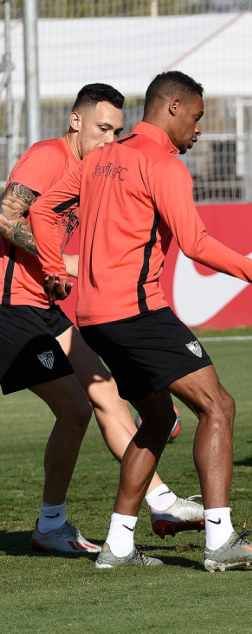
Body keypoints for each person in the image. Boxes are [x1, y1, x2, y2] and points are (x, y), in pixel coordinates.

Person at [29, 71, 252, 570]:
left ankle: (117, 547)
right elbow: (197, 246)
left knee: (158, 419)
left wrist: (54, 268)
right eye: (197, 118)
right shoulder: (162, 164)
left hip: (92, 318)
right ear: (173, 107)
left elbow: (43, 209)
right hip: (137, 312)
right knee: (218, 406)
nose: (199, 130)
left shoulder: (97, 158)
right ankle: (220, 542)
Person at [0, 84, 204, 555]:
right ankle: (51, 525)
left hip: (42, 307)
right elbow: (7, 216)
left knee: (107, 393)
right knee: (75, 408)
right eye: (101, 128)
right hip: (11, 304)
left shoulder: (96, 169)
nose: (109, 139)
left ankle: (161, 500)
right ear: (75, 122)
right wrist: (57, 262)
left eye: (116, 130)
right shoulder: (47, 157)